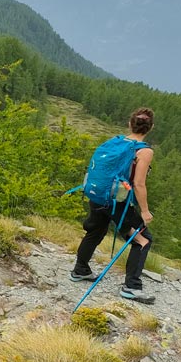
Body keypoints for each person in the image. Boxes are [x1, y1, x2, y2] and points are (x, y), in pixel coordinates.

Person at [71, 108, 156, 304]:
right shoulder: (144, 151)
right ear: (150, 128)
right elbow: (139, 184)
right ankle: (132, 287)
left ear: (129, 124)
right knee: (142, 240)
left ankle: (80, 270)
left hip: (98, 195)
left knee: (95, 231)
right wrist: (144, 211)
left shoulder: (114, 142)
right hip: (117, 201)